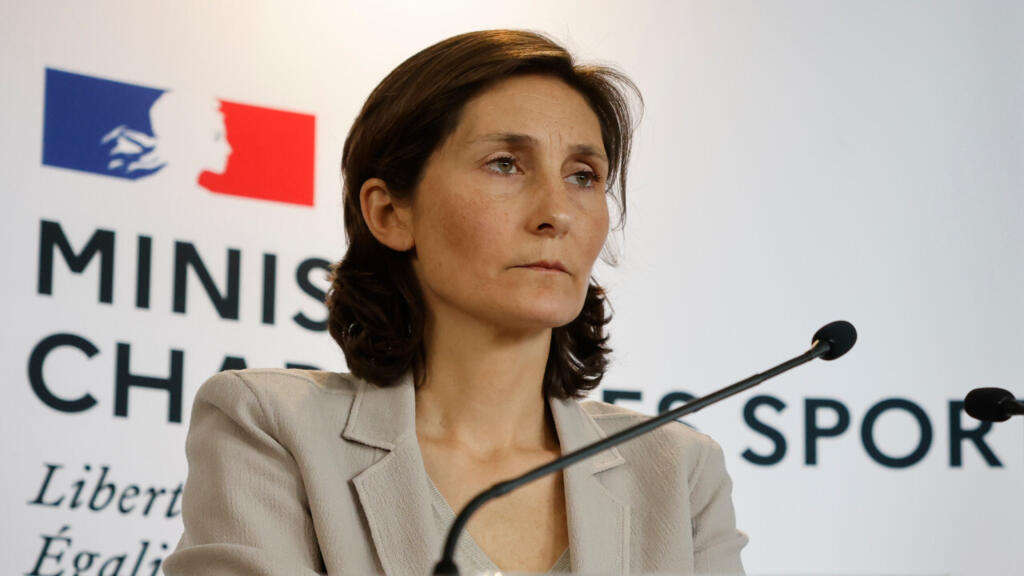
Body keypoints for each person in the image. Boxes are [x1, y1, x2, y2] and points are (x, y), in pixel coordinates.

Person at [162, 29, 747, 576]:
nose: (557, 212)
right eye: (505, 165)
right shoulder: (271, 426)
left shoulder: (678, 471)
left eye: (583, 176)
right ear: (390, 213)